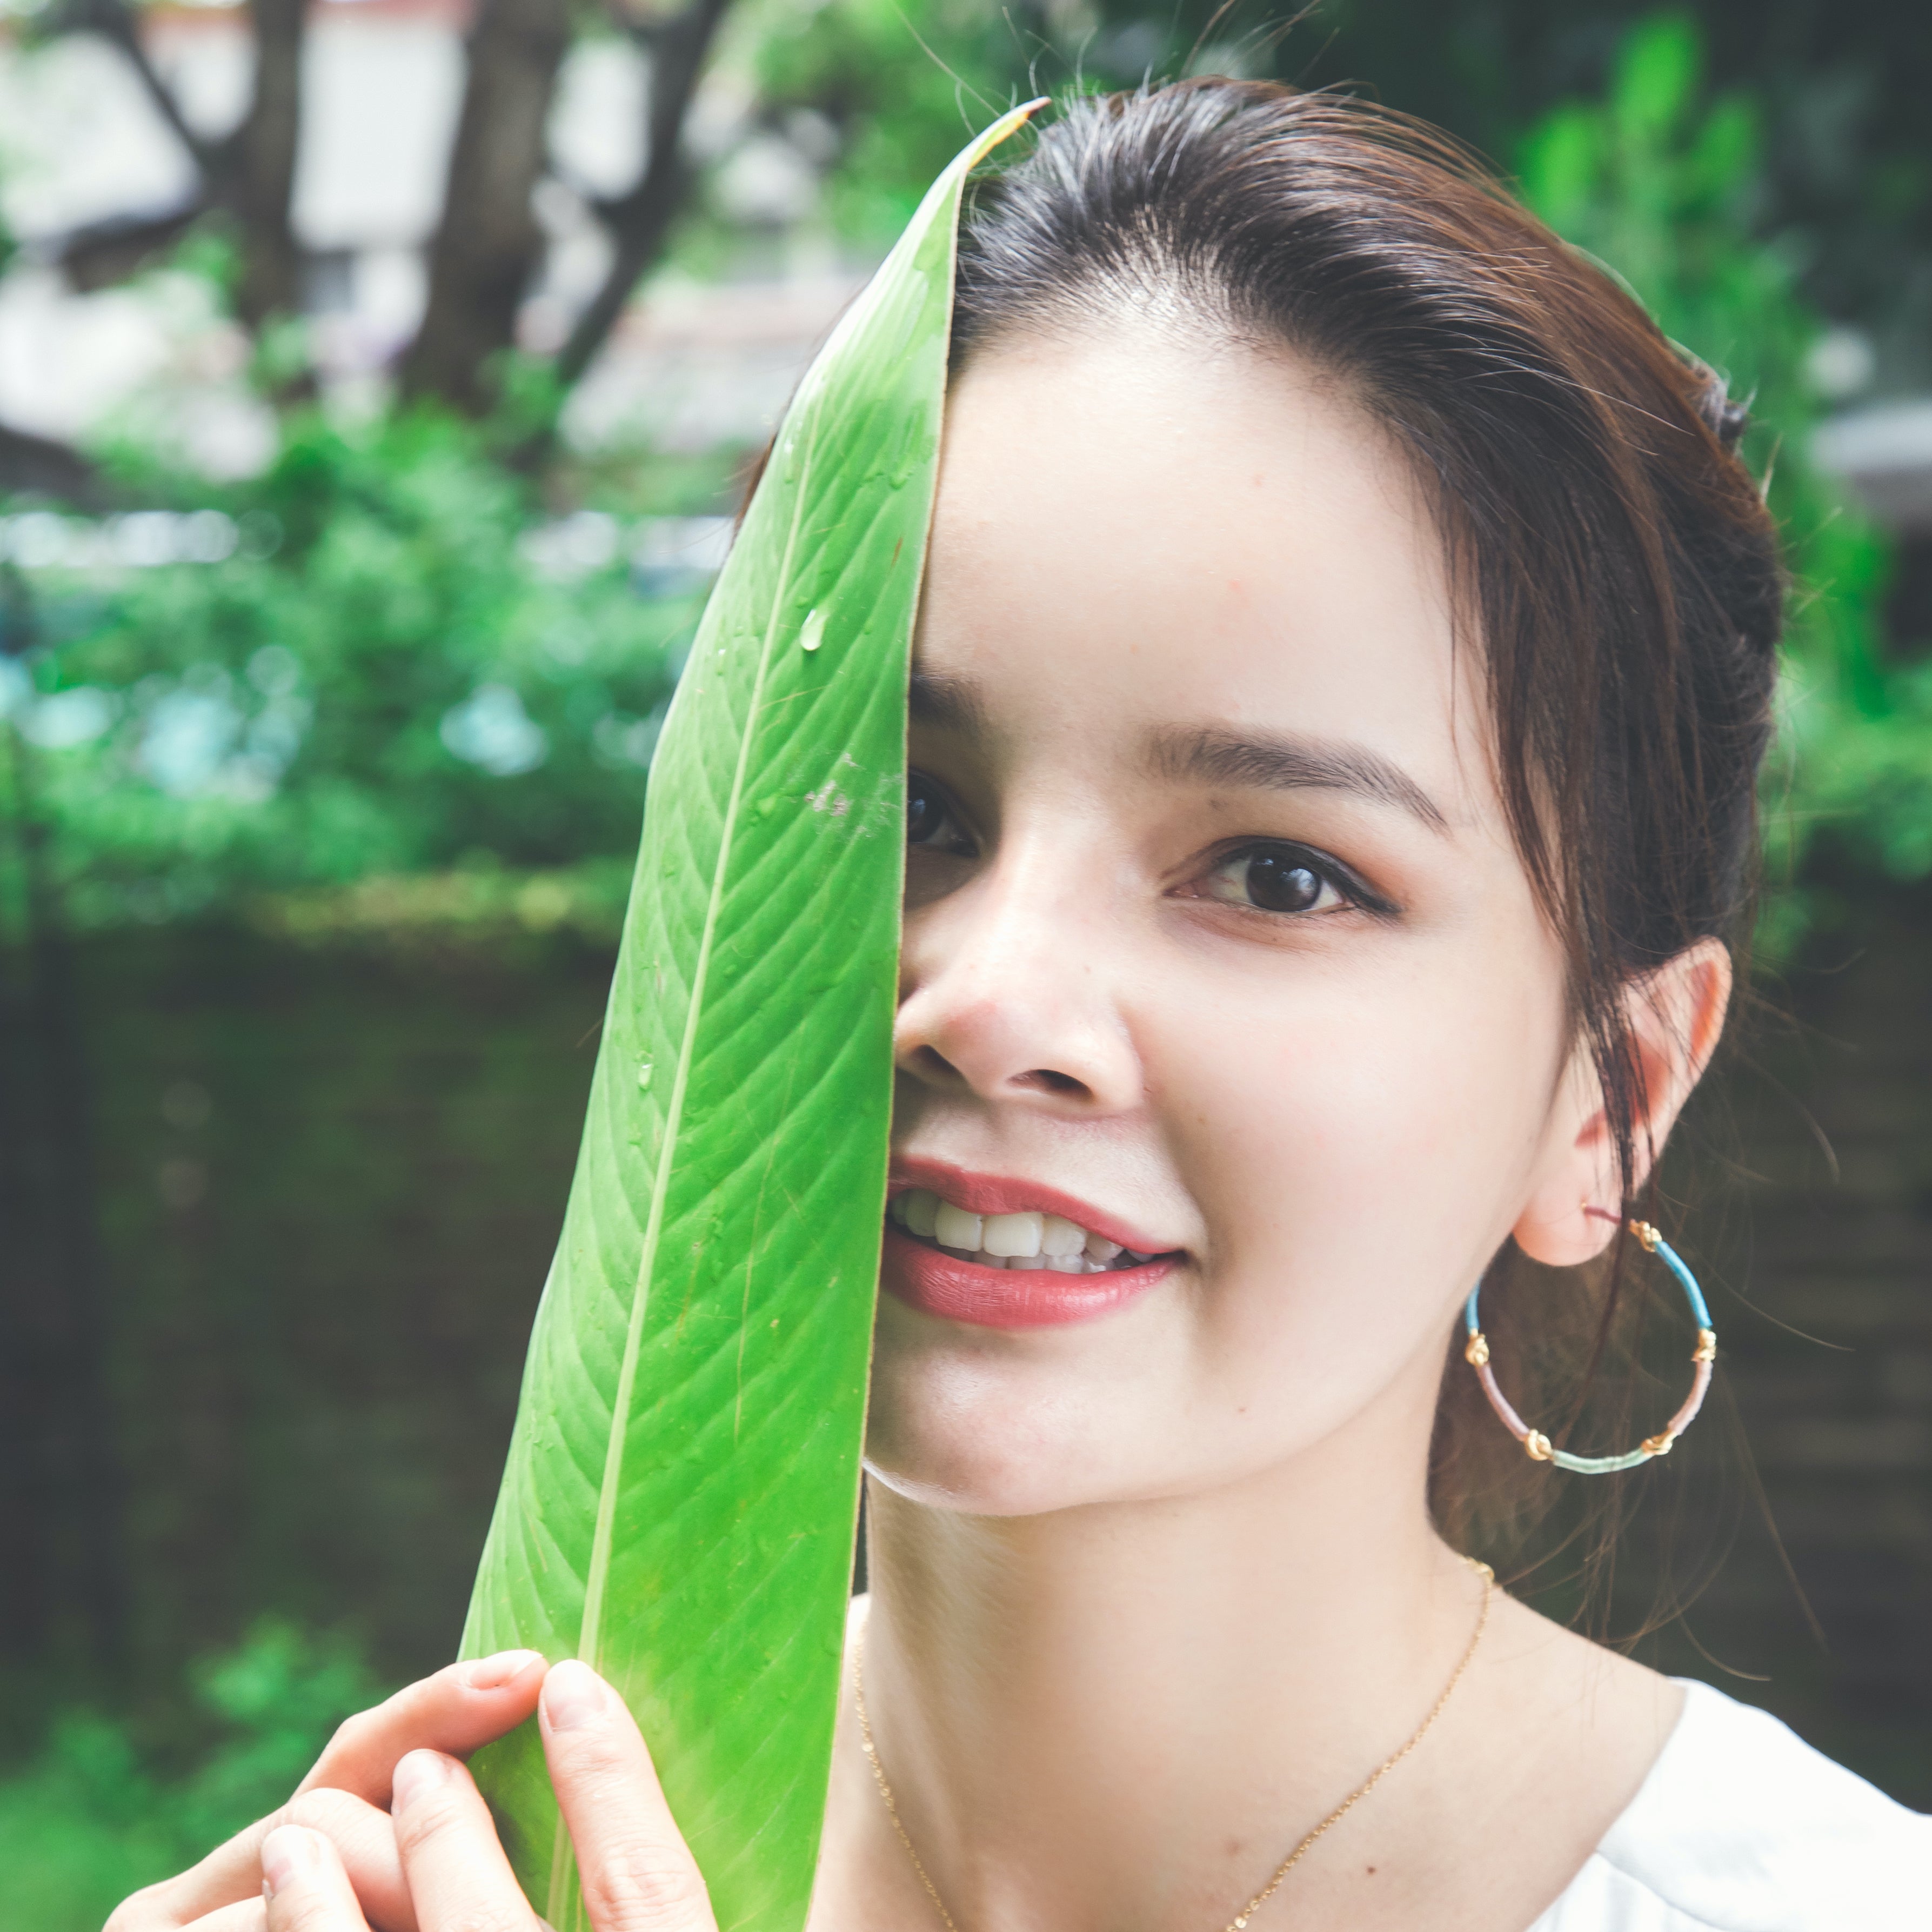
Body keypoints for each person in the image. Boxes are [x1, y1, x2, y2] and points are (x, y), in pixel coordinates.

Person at [110, 79, 1927, 1932]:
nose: (990, 1001)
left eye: (1280, 872)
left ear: (1610, 1097)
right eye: (911, 807)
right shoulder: (485, 1867)